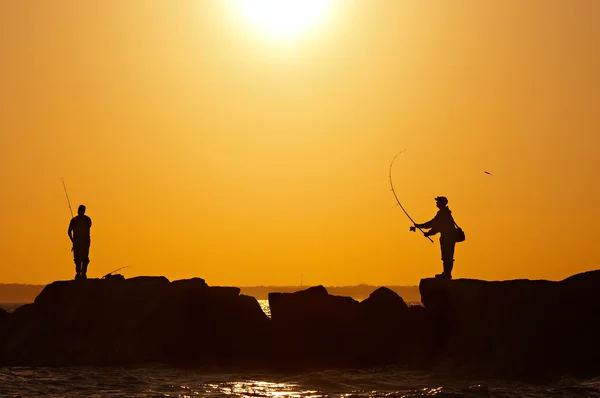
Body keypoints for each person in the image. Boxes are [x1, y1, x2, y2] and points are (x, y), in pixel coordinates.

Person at [411, 196, 458, 279]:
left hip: (447, 238)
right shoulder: (445, 212)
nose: (436, 203)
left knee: (447, 256)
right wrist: (427, 232)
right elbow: (437, 226)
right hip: (449, 237)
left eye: (437, 202)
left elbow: (434, 224)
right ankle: (446, 273)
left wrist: (421, 227)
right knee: (447, 256)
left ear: (441, 203)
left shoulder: (442, 213)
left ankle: (446, 274)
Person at [68, 205, 92, 280]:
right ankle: (84, 273)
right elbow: (89, 227)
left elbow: (69, 232)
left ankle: (78, 274)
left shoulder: (74, 220)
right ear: (84, 210)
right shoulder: (88, 219)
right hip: (85, 242)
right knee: (85, 257)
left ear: (78, 210)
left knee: (77, 258)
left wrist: (73, 240)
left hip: (78, 242)